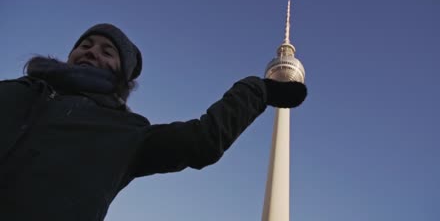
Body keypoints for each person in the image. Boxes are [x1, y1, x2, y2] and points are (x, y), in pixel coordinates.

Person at [0, 23, 307, 220]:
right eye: (85, 45)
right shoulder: (16, 91)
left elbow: (202, 141)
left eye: (107, 51)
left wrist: (258, 90)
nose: (92, 52)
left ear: (123, 74)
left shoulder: (125, 133)